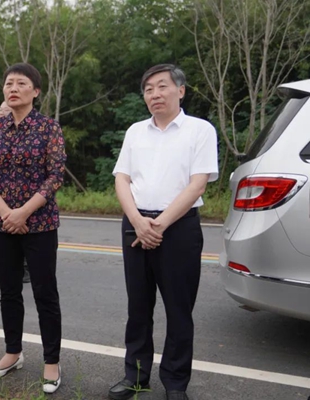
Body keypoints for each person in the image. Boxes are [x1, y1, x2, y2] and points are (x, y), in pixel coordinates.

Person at [108, 64, 218, 400]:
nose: (154, 94)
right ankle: (136, 376)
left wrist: (161, 223)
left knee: (178, 309)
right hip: (136, 225)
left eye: (162, 86)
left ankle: (175, 383)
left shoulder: (200, 130)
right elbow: (122, 179)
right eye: (148, 89)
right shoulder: (135, 132)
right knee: (138, 307)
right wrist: (139, 221)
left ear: (180, 91)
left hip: (179, 227)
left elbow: (198, 184)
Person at [0, 63, 66, 394]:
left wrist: (23, 212)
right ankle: (12, 352)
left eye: (21, 83)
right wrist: (5, 212)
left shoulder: (48, 128)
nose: (13, 88)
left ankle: (52, 361)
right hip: (3, 224)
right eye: (8, 83)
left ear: (35, 91)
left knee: (45, 293)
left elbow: (55, 175)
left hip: (39, 223)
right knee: (9, 291)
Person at [0, 101, 30, 284]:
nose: (2, 113)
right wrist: (2, 209)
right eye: (0, 110)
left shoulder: (36, 129)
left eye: (6, 110)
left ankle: (25, 267)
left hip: (25, 199)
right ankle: (0, 264)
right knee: (2, 236)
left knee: (23, 233)